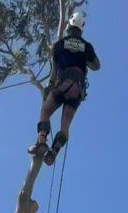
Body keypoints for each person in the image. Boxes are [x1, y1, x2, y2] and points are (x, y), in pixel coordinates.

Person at [29, 9, 101, 166]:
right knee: (65, 124)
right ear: (81, 28)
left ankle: (42, 140)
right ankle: (54, 152)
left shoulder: (59, 45)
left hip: (63, 82)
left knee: (46, 110)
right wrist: (85, 61)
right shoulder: (86, 46)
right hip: (78, 87)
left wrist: (49, 87)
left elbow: (54, 70)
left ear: (69, 26)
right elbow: (97, 66)